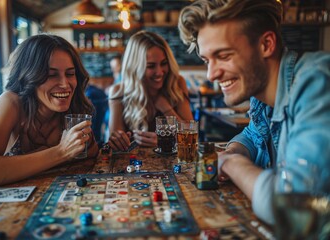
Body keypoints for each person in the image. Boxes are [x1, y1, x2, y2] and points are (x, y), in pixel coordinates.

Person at [178, 0, 330, 225]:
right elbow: (251, 135)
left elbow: (296, 208)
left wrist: (231, 163)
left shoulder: (316, 82)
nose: (211, 74)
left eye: (224, 55)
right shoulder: (264, 97)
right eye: (206, 60)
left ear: (266, 44)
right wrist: (233, 151)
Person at [0, 34, 99, 191]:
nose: (65, 84)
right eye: (51, 75)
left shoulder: (73, 104)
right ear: (30, 76)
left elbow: (90, 154)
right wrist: (61, 152)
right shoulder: (11, 102)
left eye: (70, 74)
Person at [108, 30, 193, 151]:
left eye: (164, 63)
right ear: (135, 68)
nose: (159, 72)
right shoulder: (118, 92)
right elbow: (116, 148)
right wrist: (118, 141)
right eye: (151, 66)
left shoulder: (176, 83)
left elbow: (191, 138)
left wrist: (166, 108)